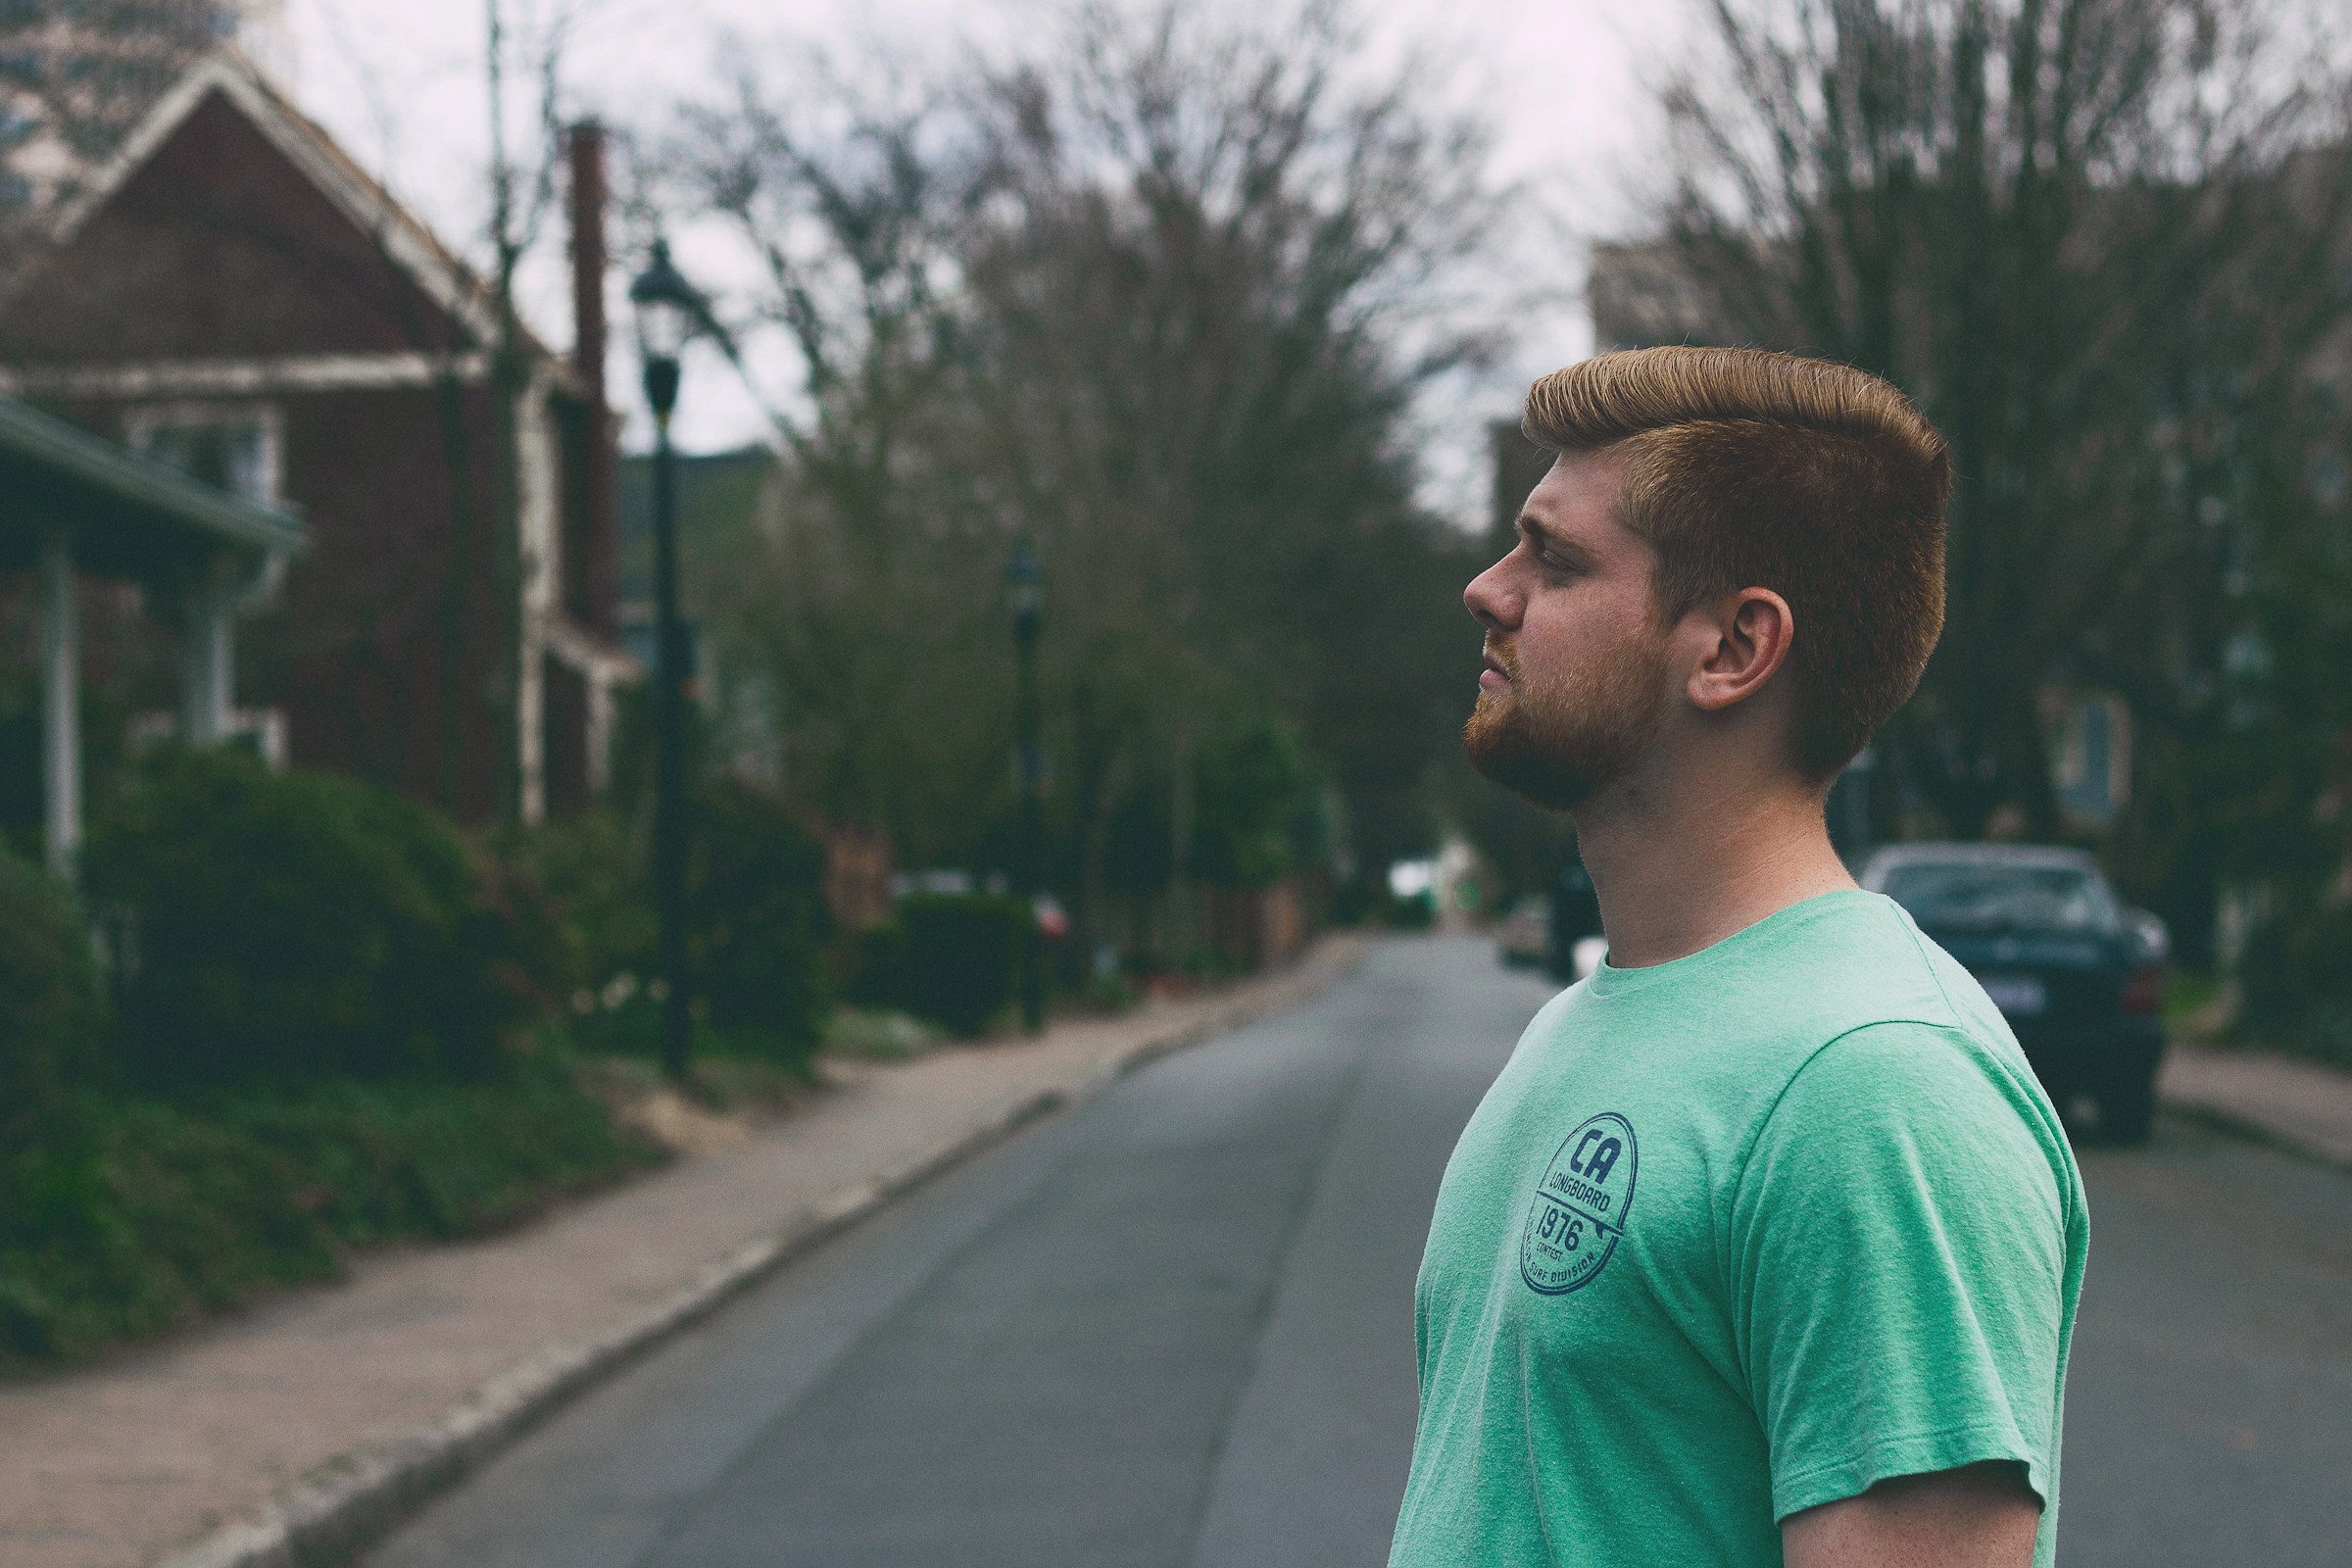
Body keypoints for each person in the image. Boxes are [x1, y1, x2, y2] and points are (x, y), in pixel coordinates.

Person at [1387, 346, 2086, 1568]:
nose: (1487, 591)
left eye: (1555, 559)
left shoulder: (1875, 1091)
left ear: (1732, 648)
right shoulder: (1583, 1017)